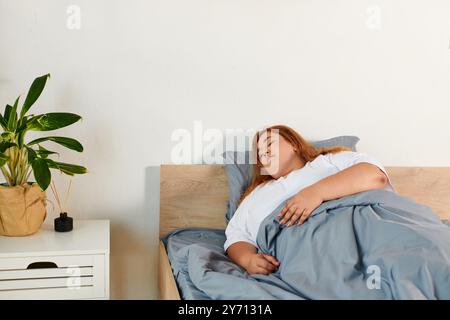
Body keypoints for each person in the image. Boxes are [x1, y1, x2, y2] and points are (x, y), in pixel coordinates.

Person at [224, 125, 394, 275]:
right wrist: (248, 260)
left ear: (294, 144)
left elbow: (375, 176)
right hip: (302, 253)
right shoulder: (257, 194)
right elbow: (236, 234)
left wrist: (315, 193)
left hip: (356, 231)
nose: (265, 153)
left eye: (269, 144)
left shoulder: (329, 161)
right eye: (260, 155)